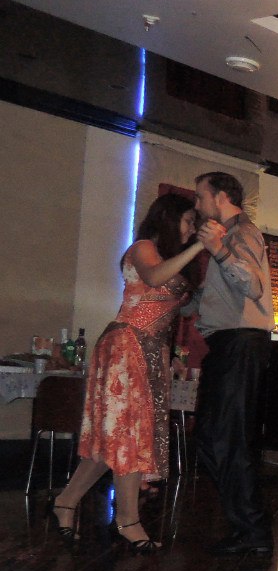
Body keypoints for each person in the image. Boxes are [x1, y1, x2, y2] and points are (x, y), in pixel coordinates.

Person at [48, 194, 205, 551]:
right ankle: (128, 520)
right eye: (187, 221)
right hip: (126, 344)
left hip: (151, 349)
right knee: (128, 435)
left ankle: (65, 502)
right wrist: (199, 246)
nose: (191, 229)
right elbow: (153, 277)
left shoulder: (170, 258)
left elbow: (172, 312)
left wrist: (171, 355)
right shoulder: (143, 248)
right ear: (168, 219)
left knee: (115, 439)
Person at [192, 171, 275, 556]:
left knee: (226, 438)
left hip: (240, 343)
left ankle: (253, 531)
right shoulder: (230, 236)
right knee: (212, 437)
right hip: (230, 345)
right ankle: (247, 525)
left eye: (200, 197)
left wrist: (219, 250)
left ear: (221, 197)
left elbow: (253, 285)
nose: (197, 205)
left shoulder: (241, 233)